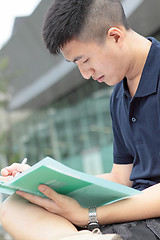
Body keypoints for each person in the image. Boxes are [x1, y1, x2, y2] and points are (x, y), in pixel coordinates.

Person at [0, 0, 160, 239]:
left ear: (115, 37)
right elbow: (121, 179)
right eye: (76, 64)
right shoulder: (119, 96)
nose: (85, 74)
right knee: (14, 206)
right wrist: (41, 183)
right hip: (129, 218)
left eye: (85, 61)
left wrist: (89, 215)